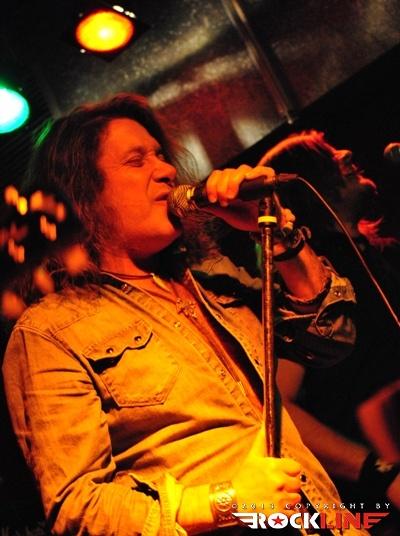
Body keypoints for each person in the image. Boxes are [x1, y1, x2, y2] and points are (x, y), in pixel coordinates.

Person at [2, 95, 364, 536]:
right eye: (136, 161)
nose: (166, 170)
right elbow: (77, 509)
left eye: (161, 155)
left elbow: (331, 338)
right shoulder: (50, 332)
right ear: (82, 196)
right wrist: (227, 501)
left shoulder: (216, 280)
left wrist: (276, 228)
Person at [258, 130, 400, 523]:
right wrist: (380, 472)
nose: (347, 152)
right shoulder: (309, 287)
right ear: (308, 189)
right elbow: (279, 409)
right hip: (378, 503)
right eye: (325, 156)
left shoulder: (384, 254)